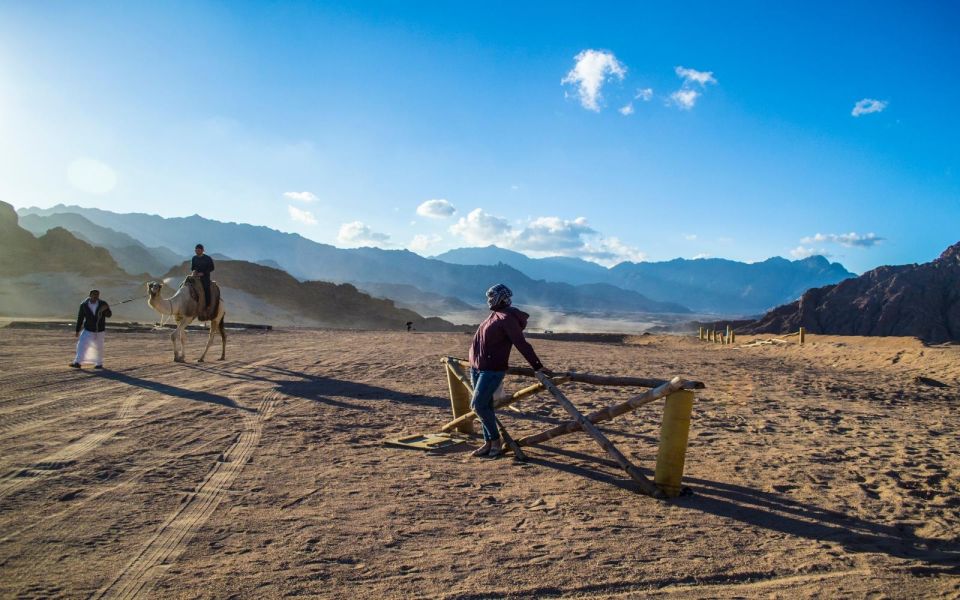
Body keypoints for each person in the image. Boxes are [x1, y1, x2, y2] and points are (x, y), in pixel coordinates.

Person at [468, 283, 550, 458]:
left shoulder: (507, 318)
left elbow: (521, 343)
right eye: (489, 297)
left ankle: (496, 441)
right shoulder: (495, 315)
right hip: (478, 368)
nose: (489, 300)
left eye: (492, 297)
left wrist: (537, 365)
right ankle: (488, 443)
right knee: (485, 406)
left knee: (478, 406)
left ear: (502, 298)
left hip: (491, 369)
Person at [71, 289, 111, 369]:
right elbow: (80, 318)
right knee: (81, 345)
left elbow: (109, 315)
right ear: (90, 295)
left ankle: (99, 364)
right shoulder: (84, 305)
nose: (96, 296)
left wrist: (105, 310)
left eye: (97, 295)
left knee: (99, 347)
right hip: (88, 329)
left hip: (100, 330)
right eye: (94, 294)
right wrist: (77, 330)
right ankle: (77, 362)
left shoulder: (103, 304)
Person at [190, 243, 215, 311]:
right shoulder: (194, 258)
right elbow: (192, 268)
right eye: (196, 250)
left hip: (205, 277)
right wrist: (194, 271)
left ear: (202, 250)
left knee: (206, 289)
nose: (197, 251)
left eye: (198, 250)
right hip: (195, 276)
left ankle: (208, 306)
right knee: (187, 284)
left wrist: (203, 273)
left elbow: (212, 268)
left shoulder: (208, 258)